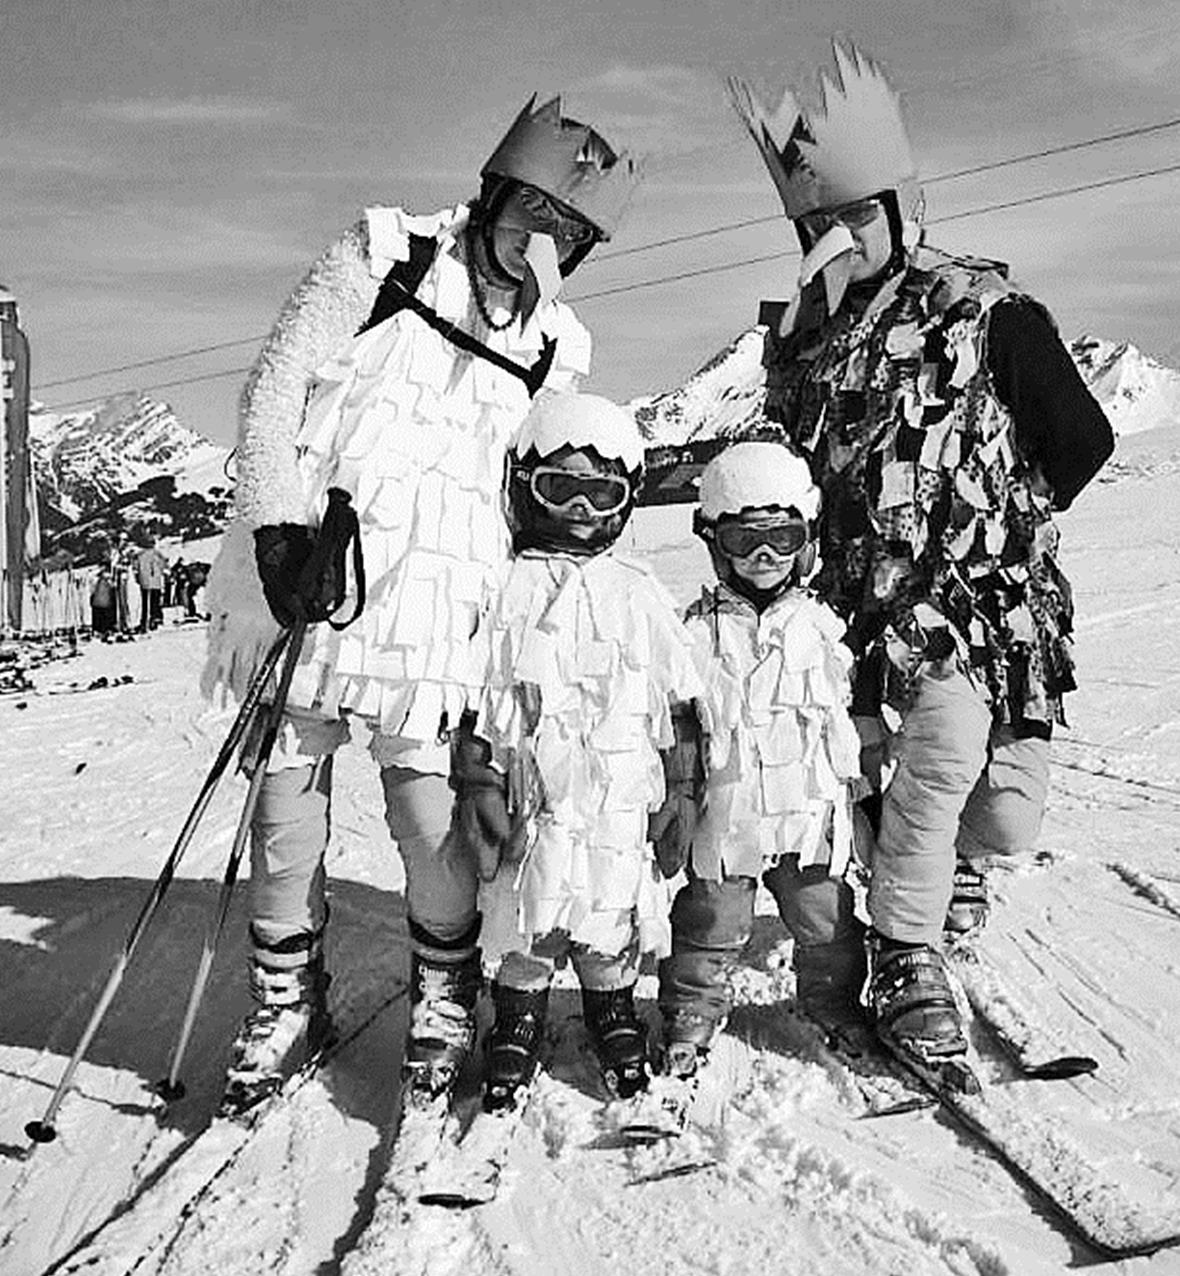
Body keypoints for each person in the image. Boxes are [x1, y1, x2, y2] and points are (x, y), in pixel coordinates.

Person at [200, 97, 639, 1116]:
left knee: (427, 810)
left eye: (571, 233)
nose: (543, 242)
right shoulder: (378, 250)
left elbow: (534, 485)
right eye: (531, 211)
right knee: (285, 801)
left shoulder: (555, 344)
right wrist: (274, 533)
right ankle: (282, 992)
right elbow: (273, 388)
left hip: (446, 602)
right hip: (315, 573)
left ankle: (445, 991)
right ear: (493, 192)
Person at [726, 44, 1114, 1070]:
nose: (834, 241)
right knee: (905, 768)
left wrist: (999, 527)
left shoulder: (987, 310)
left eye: (854, 217)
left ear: (901, 211)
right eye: (815, 224)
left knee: (1000, 811)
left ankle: (948, 875)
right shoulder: (805, 345)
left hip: (979, 601)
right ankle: (904, 952)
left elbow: (1082, 441)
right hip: (849, 604)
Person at [455, 391, 705, 1111]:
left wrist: (682, 789)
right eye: (558, 488)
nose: (581, 508)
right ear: (525, 488)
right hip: (533, 785)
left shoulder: (640, 591)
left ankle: (611, 1005)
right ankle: (520, 1011)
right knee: (530, 893)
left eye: (602, 491)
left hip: (622, 784)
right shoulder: (508, 586)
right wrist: (477, 780)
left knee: (611, 896)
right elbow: (479, 695)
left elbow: (680, 701)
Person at [657, 441, 865, 1078]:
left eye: (781, 537)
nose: (765, 557)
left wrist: (858, 790)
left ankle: (831, 998)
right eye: (746, 539)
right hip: (729, 812)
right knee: (711, 915)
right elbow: (677, 718)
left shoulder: (824, 627)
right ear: (716, 541)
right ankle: (692, 1006)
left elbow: (847, 716)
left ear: (805, 538)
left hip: (805, 813)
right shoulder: (694, 631)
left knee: (824, 912)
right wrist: (676, 790)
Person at [135, 537, 168, 632]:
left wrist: (138, 578)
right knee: (155, 601)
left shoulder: (140, 555)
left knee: (145, 603)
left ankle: (145, 621)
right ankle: (155, 619)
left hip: (145, 582)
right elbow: (164, 565)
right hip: (156, 582)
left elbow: (136, 568)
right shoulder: (158, 554)